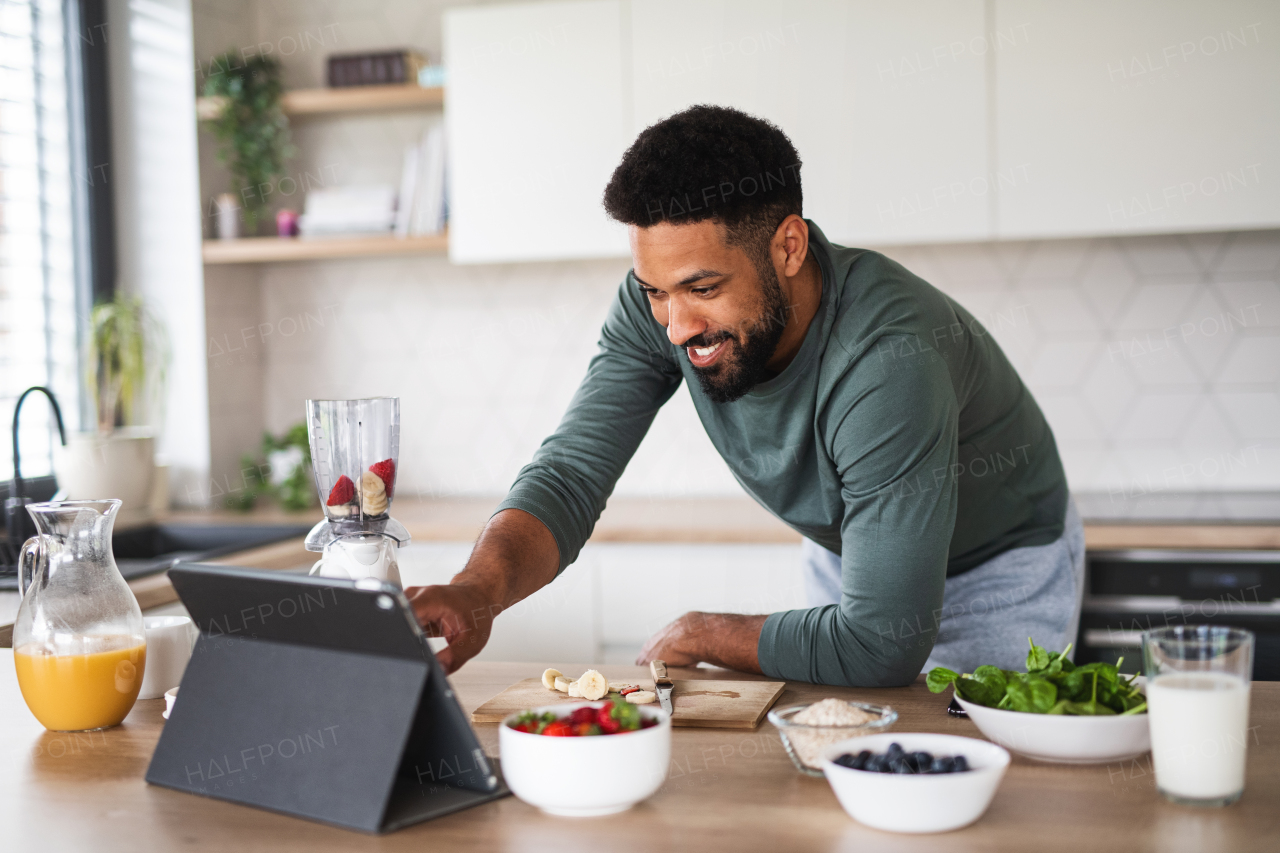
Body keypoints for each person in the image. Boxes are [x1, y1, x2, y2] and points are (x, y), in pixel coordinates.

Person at [406, 105, 1083, 686]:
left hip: (995, 571)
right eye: (656, 291)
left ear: (788, 246)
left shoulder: (886, 359)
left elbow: (881, 642)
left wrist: (707, 633)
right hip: (859, 556)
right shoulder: (663, 308)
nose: (675, 325)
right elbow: (572, 471)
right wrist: (479, 590)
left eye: (703, 289)